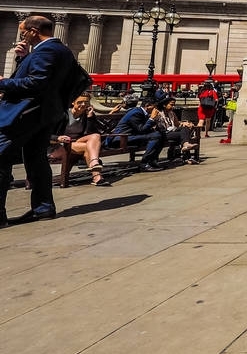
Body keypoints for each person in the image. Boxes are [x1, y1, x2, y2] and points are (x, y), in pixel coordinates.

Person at [0, 15, 86, 225]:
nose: (22, 36)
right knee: (36, 160)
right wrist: (23, 58)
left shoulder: (47, 50)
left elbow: (37, 83)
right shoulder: (61, 50)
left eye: (23, 33)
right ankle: (43, 207)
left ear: (33, 31)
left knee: (0, 157)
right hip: (45, 115)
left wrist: (3, 83)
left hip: (25, 114)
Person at [55, 93, 109, 185]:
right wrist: (58, 137)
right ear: (73, 102)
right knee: (88, 147)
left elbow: (90, 133)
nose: (83, 105)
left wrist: (90, 118)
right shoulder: (63, 114)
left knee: (96, 136)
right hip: (61, 144)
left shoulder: (87, 114)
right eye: (80, 102)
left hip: (77, 141)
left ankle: (94, 162)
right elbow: (48, 133)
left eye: (86, 102)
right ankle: (97, 177)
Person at [106, 95, 167, 171]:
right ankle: (145, 163)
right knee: (155, 136)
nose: (155, 110)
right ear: (147, 106)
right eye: (154, 107)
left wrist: (155, 122)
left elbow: (144, 129)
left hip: (130, 136)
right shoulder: (136, 113)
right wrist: (151, 119)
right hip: (120, 138)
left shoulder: (141, 112)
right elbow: (141, 130)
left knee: (161, 134)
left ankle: (152, 161)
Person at [155, 96, 200, 164]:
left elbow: (177, 124)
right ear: (164, 105)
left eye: (174, 105)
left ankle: (186, 148)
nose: (173, 107)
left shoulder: (172, 113)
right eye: (171, 104)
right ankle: (187, 156)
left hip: (173, 132)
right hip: (164, 133)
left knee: (185, 128)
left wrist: (185, 123)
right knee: (183, 134)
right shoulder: (158, 113)